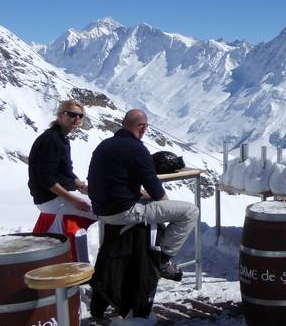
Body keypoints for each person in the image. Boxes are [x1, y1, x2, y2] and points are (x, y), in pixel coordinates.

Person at [87, 109, 199, 280]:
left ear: (123, 124)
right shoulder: (137, 149)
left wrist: (139, 193)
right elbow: (156, 191)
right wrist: (164, 208)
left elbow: (113, 180)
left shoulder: (104, 145)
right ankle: (162, 260)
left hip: (101, 210)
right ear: (143, 128)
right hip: (122, 212)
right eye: (145, 126)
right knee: (190, 212)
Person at [28, 99, 98, 237]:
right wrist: (74, 200)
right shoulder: (51, 140)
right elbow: (47, 179)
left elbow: (66, 171)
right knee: (103, 211)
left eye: (80, 116)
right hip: (50, 199)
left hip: (54, 196)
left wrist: (82, 186)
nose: (77, 118)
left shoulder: (61, 138)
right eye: (72, 114)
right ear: (60, 115)